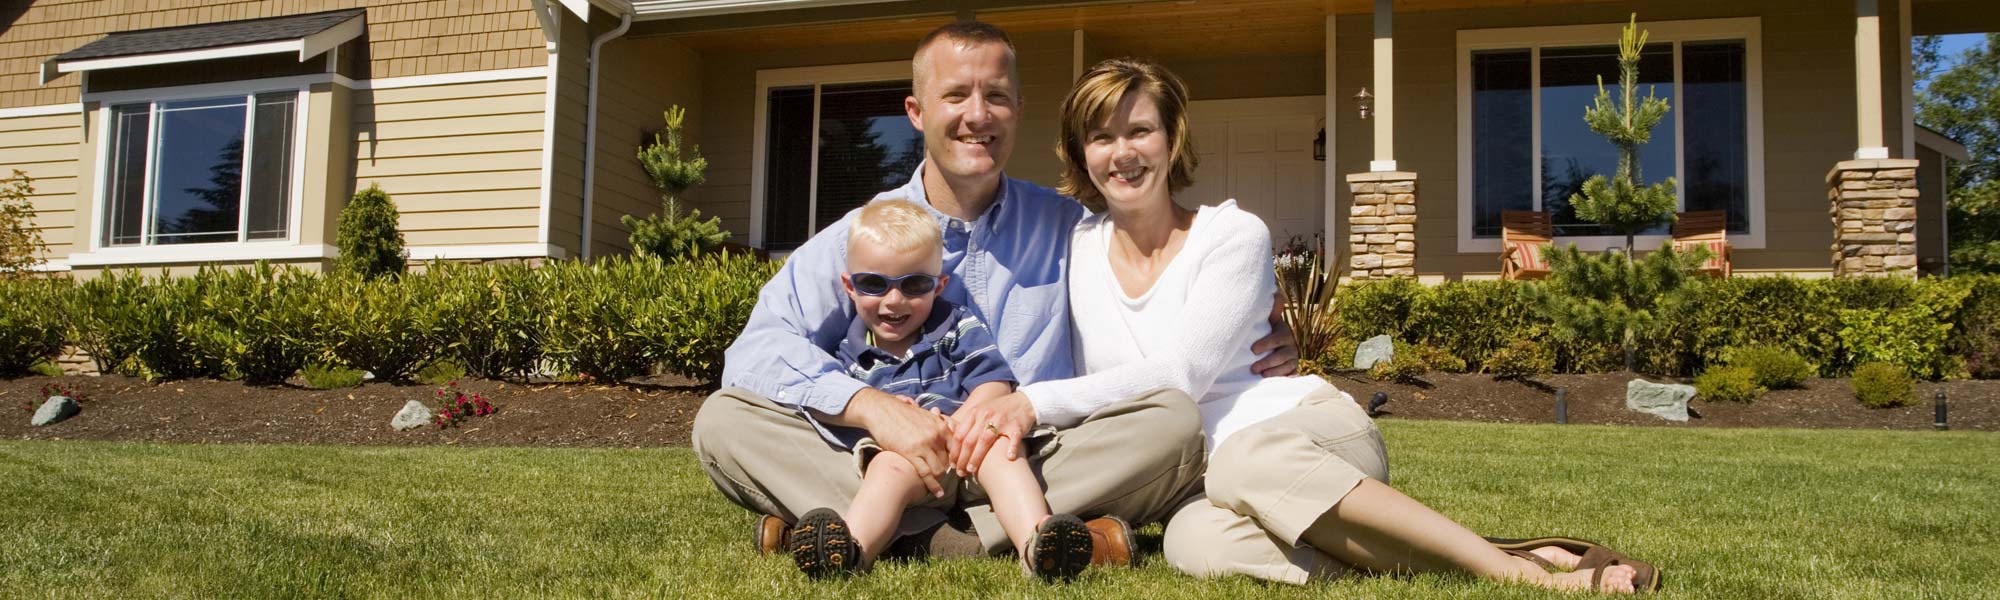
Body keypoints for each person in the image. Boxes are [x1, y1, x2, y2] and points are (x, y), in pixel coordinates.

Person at [1034, 56, 1659, 594]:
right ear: (1080, 151)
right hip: (1209, 482)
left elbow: (1179, 376)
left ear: (1172, 140)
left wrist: (1025, 406)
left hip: (1300, 432)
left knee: (1243, 461)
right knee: (1194, 546)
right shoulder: (1075, 249)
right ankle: (1480, 552)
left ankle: (1514, 577)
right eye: (1101, 136)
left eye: (1140, 130)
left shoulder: (1231, 233)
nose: (1122, 153)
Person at [691, 20, 1300, 563]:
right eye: (955, 94)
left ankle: (881, 533)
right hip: (887, 458)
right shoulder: (863, 237)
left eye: (996, 97)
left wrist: (1254, 327)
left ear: (1017, 110)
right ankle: (1002, 536)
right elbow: (755, 353)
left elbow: (1163, 288)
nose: (977, 114)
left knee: (1171, 420)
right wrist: (872, 409)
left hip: (1032, 455)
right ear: (915, 111)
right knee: (722, 422)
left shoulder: (1070, 226)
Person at [786, 199, 1093, 581]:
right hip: (908, 464)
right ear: (850, 286)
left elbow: (995, 382)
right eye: (873, 284)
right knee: (885, 465)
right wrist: (883, 416)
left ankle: (1037, 546)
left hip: (971, 451)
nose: (893, 301)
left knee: (1004, 450)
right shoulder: (848, 354)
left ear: (939, 285)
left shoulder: (955, 326)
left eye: (914, 285)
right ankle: (851, 552)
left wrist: (963, 425)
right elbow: (834, 411)